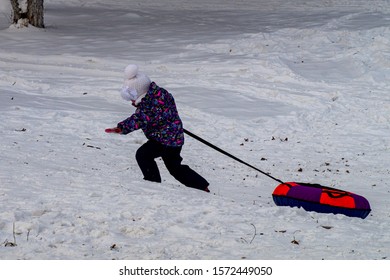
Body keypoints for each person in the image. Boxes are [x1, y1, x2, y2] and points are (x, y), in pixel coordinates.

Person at [105, 64, 210, 192]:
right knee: (175, 168)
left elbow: (139, 119)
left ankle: (152, 182)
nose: (132, 102)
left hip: (164, 140)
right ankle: (201, 186)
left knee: (143, 155)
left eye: (132, 99)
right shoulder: (160, 94)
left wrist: (121, 128)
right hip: (174, 138)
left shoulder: (149, 106)